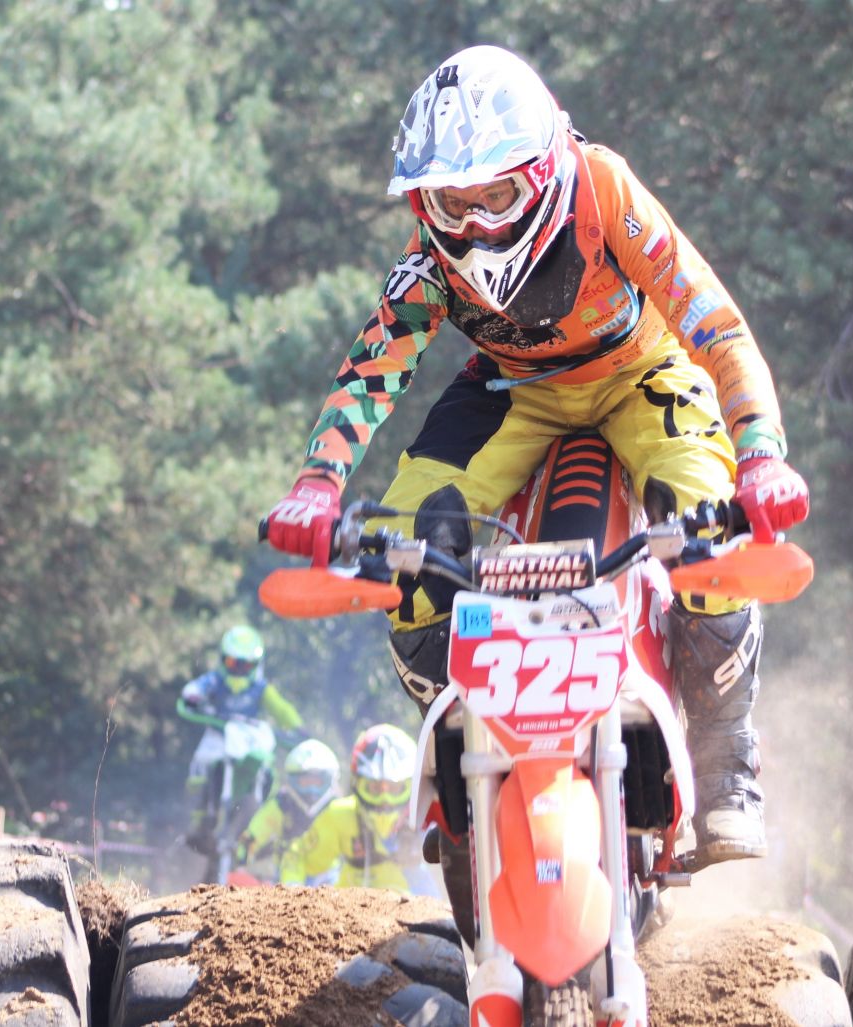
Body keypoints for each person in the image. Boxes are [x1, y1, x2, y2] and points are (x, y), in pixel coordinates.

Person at [262, 44, 809, 892]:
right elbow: (373, 368)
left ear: (543, 171)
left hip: (641, 372)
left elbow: (716, 325)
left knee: (706, 525)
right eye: (454, 201)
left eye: (498, 195)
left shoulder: (603, 190)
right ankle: (460, 750)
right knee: (404, 551)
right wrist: (317, 485)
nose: (477, 223)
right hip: (513, 388)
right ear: (424, 200)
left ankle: (725, 755)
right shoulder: (430, 256)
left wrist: (762, 456)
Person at [177, 624, 305, 852]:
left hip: (247, 740)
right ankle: (198, 819)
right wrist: (193, 696)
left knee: (267, 766)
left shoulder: (260, 688)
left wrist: (297, 727)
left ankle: (262, 819)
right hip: (218, 734)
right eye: (232, 663)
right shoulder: (215, 680)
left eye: (245, 665)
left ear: (256, 665)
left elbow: (281, 709)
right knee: (200, 763)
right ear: (223, 660)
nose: (238, 670)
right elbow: (195, 688)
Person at [280, 724, 437, 896]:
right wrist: (292, 889)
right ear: (357, 784)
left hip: (414, 904)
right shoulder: (341, 815)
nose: (384, 801)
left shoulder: (429, 818)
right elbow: (297, 857)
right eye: (374, 788)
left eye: (394, 789)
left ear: (413, 785)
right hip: (345, 906)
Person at [237, 739, 343, 884]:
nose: (311, 790)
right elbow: (254, 835)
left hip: (327, 874)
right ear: (292, 779)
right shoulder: (282, 805)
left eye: (317, 782)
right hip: (287, 870)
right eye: (305, 782)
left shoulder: (337, 808)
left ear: (329, 780)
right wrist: (242, 862)